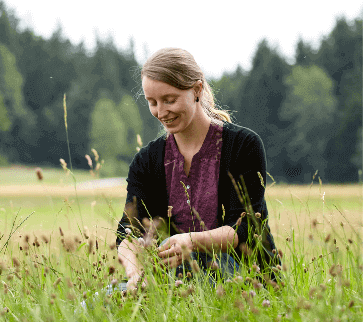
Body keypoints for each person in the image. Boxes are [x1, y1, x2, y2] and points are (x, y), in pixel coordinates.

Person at [115, 48, 280, 293]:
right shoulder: (147, 161)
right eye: (152, 103)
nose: (161, 112)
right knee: (93, 305)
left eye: (169, 100)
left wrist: (190, 242)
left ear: (197, 90)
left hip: (244, 276)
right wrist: (136, 273)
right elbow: (127, 232)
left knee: (200, 287)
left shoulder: (244, 146)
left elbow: (243, 228)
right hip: (172, 281)